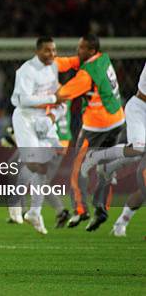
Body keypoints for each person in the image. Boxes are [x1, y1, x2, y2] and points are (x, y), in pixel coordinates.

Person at [54, 34, 125, 230]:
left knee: (78, 169)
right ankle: (102, 208)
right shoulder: (103, 59)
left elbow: (62, 94)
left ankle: (80, 209)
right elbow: (74, 62)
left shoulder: (86, 75)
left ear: (91, 51)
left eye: (82, 48)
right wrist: (53, 63)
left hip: (97, 126)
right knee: (105, 167)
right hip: (117, 119)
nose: (79, 51)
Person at [8, 37, 78, 234]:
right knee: (34, 163)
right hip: (26, 117)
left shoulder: (52, 67)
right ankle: (14, 200)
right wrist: (54, 98)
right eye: (48, 51)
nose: (52, 54)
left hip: (43, 118)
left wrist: (56, 108)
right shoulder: (26, 70)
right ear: (38, 51)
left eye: (54, 50)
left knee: (43, 167)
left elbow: (56, 91)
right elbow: (23, 99)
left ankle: (34, 212)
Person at [80, 62, 146, 236]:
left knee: (136, 157)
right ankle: (96, 157)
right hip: (140, 109)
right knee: (138, 148)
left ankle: (120, 223)